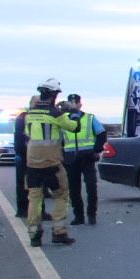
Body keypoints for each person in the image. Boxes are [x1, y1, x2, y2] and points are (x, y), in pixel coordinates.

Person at [23, 78, 78, 246]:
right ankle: (59, 231)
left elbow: (28, 134)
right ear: (54, 95)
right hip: (52, 164)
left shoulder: (30, 114)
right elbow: (74, 127)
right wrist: (72, 111)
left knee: (34, 198)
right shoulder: (55, 113)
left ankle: (34, 235)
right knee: (61, 195)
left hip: (32, 163)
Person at [61, 93, 106, 226]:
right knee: (74, 189)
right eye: (71, 102)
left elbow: (101, 134)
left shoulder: (89, 118)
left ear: (80, 104)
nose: (73, 104)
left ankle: (92, 214)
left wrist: (96, 150)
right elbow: (58, 139)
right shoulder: (63, 119)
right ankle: (78, 216)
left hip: (87, 157)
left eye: (76, 102)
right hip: (70, 158)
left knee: (91, 187)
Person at [12, 106, 30, 218]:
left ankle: (22, 210)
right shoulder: (24, 120)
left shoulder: (20, 119)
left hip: (21, 155)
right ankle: (23, 210)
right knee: (28, 185)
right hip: (25, 156)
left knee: (23, 184)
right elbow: (21, 139)